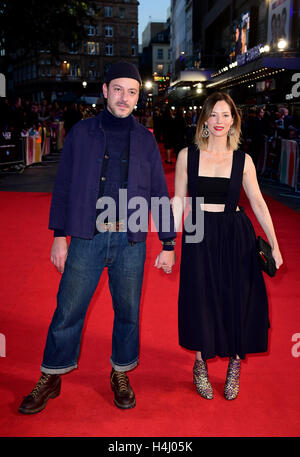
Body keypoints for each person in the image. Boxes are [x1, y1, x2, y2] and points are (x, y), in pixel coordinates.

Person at [18, 61, 176, 414]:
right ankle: (51, 374)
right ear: (105, 91)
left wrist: (168, 243)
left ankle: (121, 372)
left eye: (132, 92)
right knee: (68, 308)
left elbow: (158, 194)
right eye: (118, 89)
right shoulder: (81, 133)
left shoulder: (146, 140)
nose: (124, 97)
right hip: (86, 237)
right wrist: (60, 236)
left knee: (128, 311)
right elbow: (64, 187)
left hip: (131, 241)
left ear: (138, 97)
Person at [173, 92, 283, 401]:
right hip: (199, 234)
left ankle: (235, 365)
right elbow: (179, 201)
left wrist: (273, 244)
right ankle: (200, 364)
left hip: (236, 236)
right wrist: (167, 242)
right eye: (214, 115)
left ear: (233, 120)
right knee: (200, 299)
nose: (220, 121)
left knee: (238, 299)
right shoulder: (187, 156)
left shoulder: (242, 160)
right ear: (204, 120)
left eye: (225, 115)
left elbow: (259, 204)